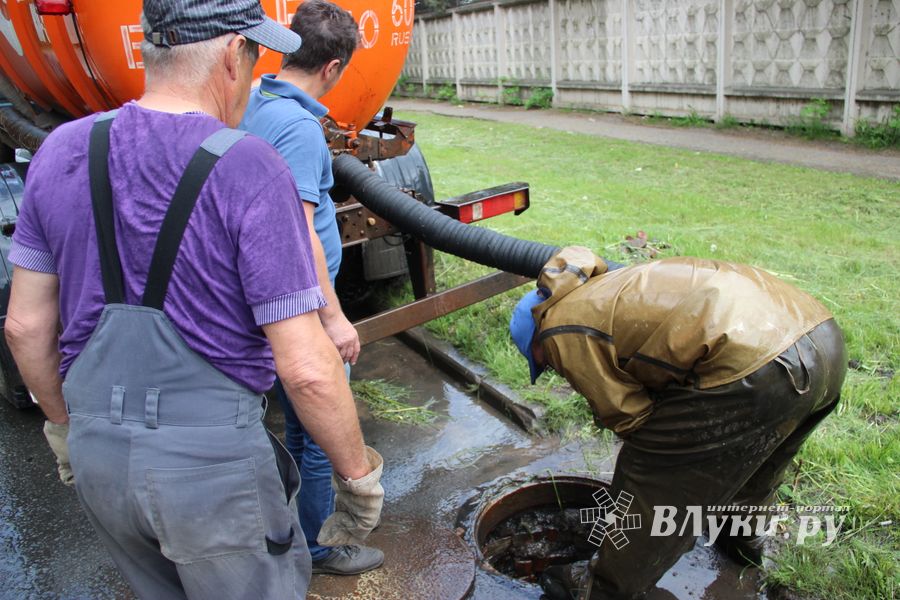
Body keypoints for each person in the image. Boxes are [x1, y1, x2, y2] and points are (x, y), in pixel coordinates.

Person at [4, 1, 382, 598]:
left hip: (100, 462)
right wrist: (359, 479)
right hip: (212, 478)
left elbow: (25, 326)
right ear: (233, 55)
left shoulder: (60, 151)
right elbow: (308, 369)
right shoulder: (249, 166)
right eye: (257, 57)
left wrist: (64, 430)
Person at [509, 246, 846, 599]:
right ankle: (740, 539)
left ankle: (601, 587)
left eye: (541, 363)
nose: (549, 368)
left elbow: (630, 416)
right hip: (819, 339)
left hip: (754, 366)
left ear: (534, 337)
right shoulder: (605, 288)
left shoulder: (557, 328)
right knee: (760, 459)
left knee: (651, 474)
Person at [239, 0, 383, 576]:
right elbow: (299, 227)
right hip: (300, 300)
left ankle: (289, 531)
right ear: (333, 67)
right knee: (324, 435)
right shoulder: (299, 127)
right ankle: (319, 548)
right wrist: (333, 316)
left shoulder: (256, 98)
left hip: (270, 292)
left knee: (298, 429)